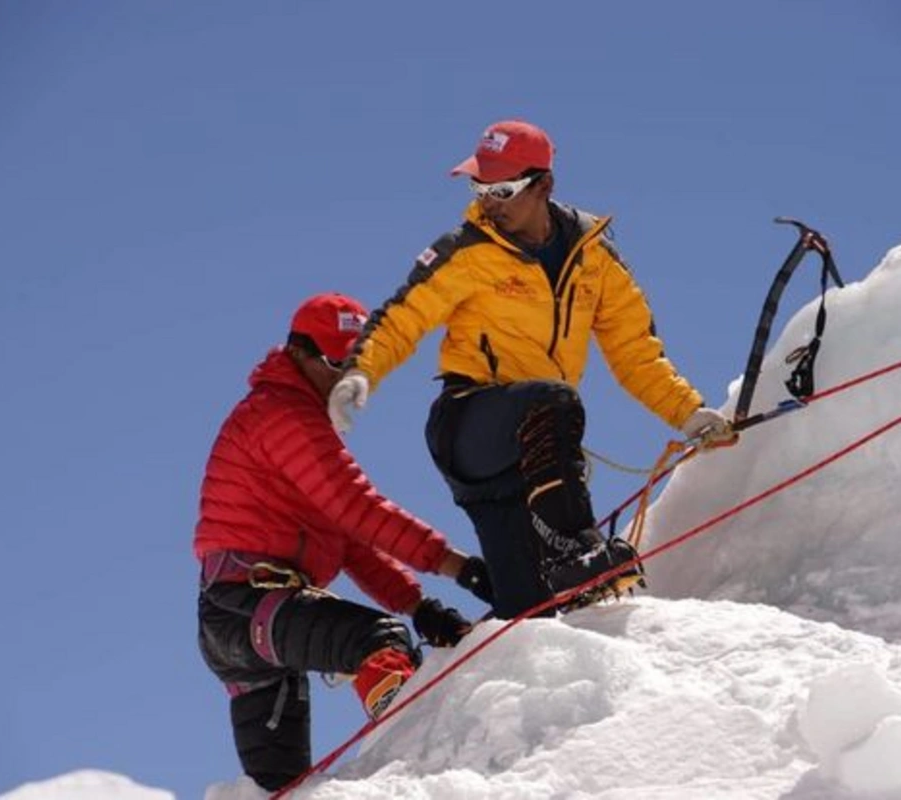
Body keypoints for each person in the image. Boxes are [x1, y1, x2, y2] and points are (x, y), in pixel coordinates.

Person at [327, 120, 736, 620]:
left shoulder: (593, 257)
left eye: (501, 189)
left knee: (532, 615)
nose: (488, 201)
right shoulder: (466, 250)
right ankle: (575, 547)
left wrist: (690, 415)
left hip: (535, 461)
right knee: (552, 400)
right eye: (479, 186)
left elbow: (635, 352)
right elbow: (402, 318)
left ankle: (550, 600)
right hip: (471, 425)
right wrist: (360, 371)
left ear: (544, 185)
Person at [194, 291, 493, 792]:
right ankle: (414, 757)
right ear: (299, 353)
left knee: (284, 787)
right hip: (248, 604)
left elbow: (349, 540)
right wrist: (460, 566)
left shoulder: (289, 419)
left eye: (356, 363)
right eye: (335, 362)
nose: (344, 378)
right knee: (380, 643)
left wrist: (420, 606)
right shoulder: (283, 415)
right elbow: (359, 508)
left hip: (239, 618)